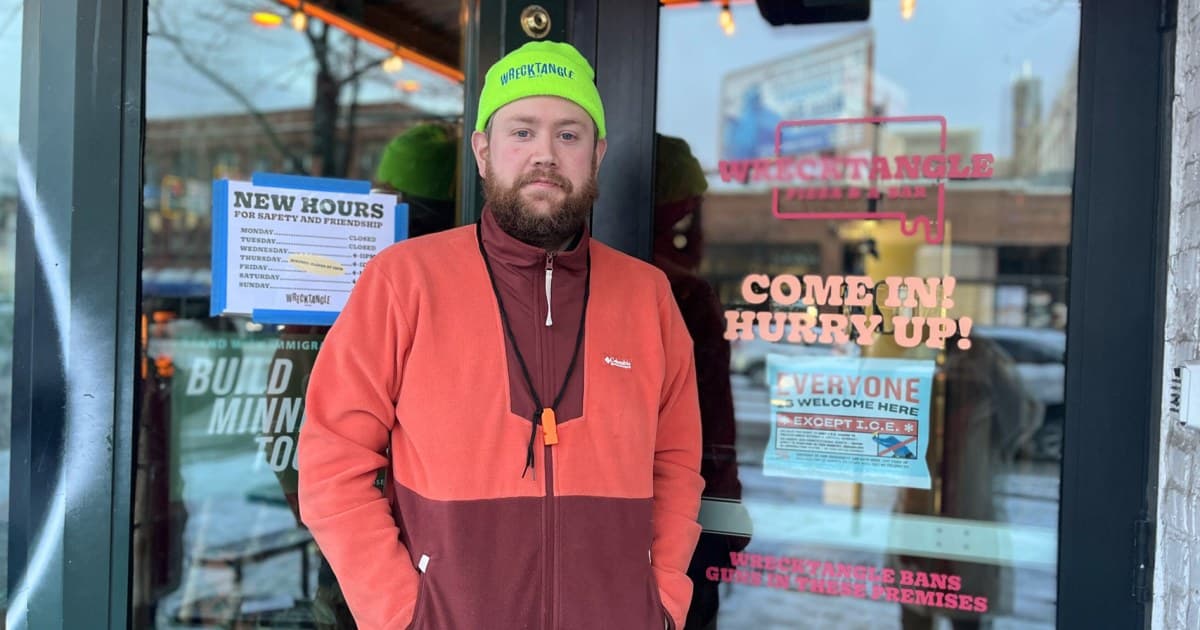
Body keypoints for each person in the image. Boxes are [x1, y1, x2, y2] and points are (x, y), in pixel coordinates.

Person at [297, 40, 704, 630]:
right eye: (522, 132)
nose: (545, 154)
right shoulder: (404, 280)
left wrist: (661, 602)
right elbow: (333, 461)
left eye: (569, 134)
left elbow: (676, 464)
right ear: (484, 153)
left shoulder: (647, 296)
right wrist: (401, 614)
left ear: (598, 154)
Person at [652, 134, 747, 630]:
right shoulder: (683, 293)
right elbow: (714, 420)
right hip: (684, 512)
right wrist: (725, 505)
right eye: (689, 217)